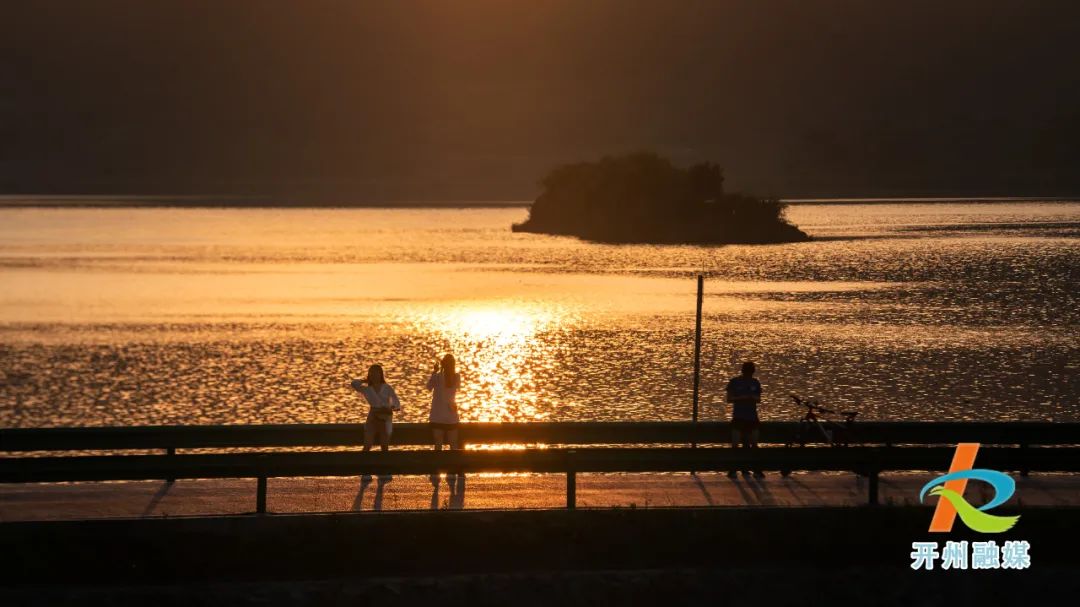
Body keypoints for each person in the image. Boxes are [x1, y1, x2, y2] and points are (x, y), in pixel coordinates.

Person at [351, 364, 401, 453]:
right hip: (373, 417)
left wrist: (392, 407)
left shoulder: (387, 387)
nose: (374, 375)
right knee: (367, 444)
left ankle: (384, 465)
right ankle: (361, 464)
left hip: (385, 417)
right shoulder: (367, 389)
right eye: (371, 373)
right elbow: (354, 383)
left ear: (380, 374)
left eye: (376, 373)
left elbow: (396, 403)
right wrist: (365, 380)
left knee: (384, 446)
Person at [726, 361, 764, 479]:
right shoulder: (734, 382)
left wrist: (752, 397)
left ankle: (756, 470)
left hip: (752, 417)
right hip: (738, 417)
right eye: (747, 372)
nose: (749, 374)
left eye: (750, 372)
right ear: (743, 371)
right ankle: (733, 470)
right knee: (735, 444)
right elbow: (729, 399)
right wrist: (741, 398)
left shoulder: (755, 382)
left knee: (754, 444)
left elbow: (758, 399)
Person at [426, 354, 461, 451]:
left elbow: (428, 387)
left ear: (443, 364)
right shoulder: (456, 377)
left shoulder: (437, 377)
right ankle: (455, 464)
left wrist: (435, 371)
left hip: (437, 416)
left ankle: (437, 464)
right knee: (453, 444)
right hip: (451, 416)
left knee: (438, 444)